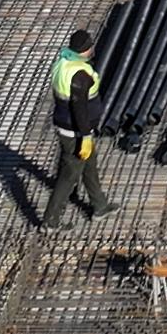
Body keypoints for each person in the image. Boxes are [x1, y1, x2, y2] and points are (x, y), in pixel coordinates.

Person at [46, 33, 109, 220]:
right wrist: (86, 136)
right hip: (75, 132)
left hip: (66, 124)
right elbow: (79, 108)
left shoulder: (63, 63)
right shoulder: (80, 75)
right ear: (86, 50)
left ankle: (100, 206)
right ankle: (51, 220)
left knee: (89, 165)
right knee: (69, 176)